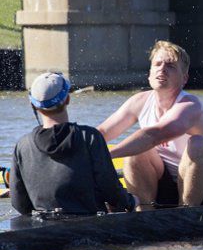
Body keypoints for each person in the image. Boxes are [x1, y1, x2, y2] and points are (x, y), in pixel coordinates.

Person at [98, 41, 203, 209]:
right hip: (164, 185)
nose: (162, 69)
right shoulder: (139, 101)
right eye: (157, 64)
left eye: (171, 66)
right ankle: (143, 214)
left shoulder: (190, 106)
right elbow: (101, 132)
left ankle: (186, 214)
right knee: (135, 153)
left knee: (198, 144)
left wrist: (105, 156)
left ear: (184, 78)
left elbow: (155, 134)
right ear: (149, 74)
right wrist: (75, 147)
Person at [11, 72, 135, 215]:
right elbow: (110, 189)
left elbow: (19, 202)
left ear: (33, 105)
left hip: (43, 229)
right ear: (67, 99)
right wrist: (130, 202)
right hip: (89, 226)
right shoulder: (89, 137)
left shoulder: (22, 145)